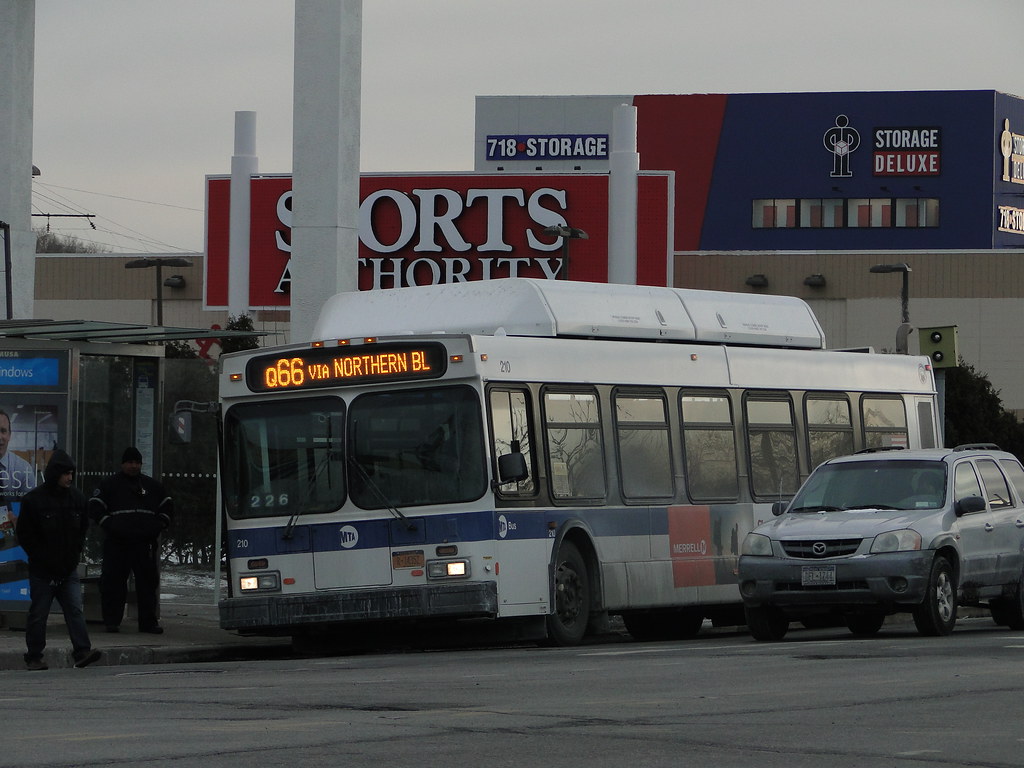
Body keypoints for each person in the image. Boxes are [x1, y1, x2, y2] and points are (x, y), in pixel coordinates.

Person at [15, 449, 101, 670]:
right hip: (42, 571)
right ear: (55, 474)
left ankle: (82, 651)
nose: (69, 478)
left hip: (67, 569)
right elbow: (25, 534)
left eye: (71, 473)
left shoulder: (78, 499)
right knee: (39, 614)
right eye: (65, 473)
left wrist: (75, 554)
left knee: (74, 609)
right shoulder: (34, 500)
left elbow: (82, 529)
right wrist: (41, 558)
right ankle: (34, 656)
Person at [89, 447, 172, 634]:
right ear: (122, 464)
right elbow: (95, 507)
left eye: (137, 462)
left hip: (144, 544)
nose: (134, 466)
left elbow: (167, 507)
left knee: (148, 584)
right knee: (113, 583)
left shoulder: (152, 486)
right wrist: (110, 524)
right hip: (117, 543)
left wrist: (158, 525)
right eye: (130, 462)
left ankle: (148, 623)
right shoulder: (110, 484)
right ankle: (112, 622)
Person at [0, 409, 37, 496]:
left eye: (3, 431)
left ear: (9, 435)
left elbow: (29, 506)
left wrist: (15, 510)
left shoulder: (23, 468)